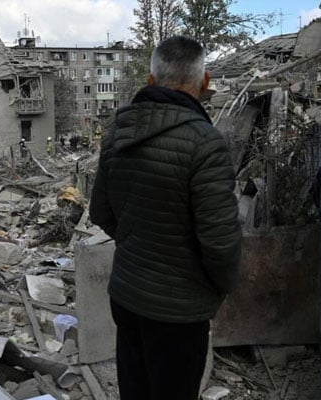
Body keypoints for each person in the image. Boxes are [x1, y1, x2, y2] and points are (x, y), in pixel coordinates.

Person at [89, 36, 241, 400]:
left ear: (150, 80)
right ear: (204, 83)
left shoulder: (117, 134)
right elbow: (220, 243)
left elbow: (101, 213)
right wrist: (222, 286)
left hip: (126, 296)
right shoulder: (206, 143)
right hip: (179, 312)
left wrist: (135, 239)